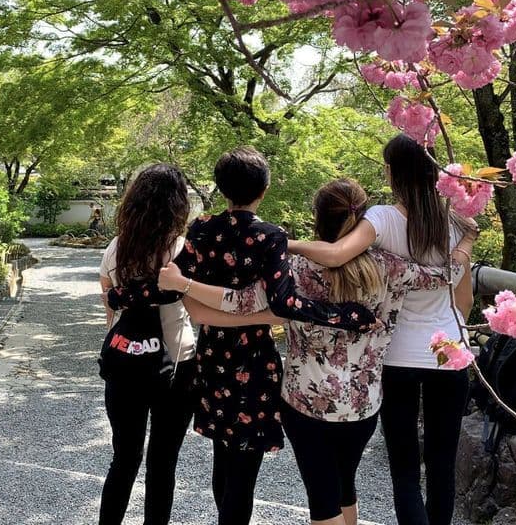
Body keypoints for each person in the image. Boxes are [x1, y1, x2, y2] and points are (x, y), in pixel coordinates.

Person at [156, 177, 474, 525]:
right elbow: (448, 272)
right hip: (362, 404)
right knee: (345, 489)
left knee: (323, 504)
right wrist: (468, 238)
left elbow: (239, 302)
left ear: (317, 217)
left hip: (305, 402)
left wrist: (183, 285)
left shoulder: (294, 270)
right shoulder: (389, 267)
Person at [107, 147, 378, 525]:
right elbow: (285, 304)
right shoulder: (271, 237)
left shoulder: (201, 229)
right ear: (264, 190)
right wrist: (344, 315)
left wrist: (121, 296)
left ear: (220, 189)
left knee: (223, 455)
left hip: (212, 358)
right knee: (243, 467)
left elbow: (171, 287)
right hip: (253, 360)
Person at [289, 135, 477, 525]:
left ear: (392, 172)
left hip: (400, 355)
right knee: (442, 466)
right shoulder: (457, 222)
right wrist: (467, 245)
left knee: (405, 471)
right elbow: (464, 304)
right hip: (450, 352)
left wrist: (284, 242)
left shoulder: (382, 217)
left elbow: (340, 253)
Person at [96, 164, 196, 525]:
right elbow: (198, 310)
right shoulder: (183, 251)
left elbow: (109, 307)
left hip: (124, 363)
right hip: (177, 364)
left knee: (123, 459)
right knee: (162, 465)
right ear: (177, 204)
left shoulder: (115, 248)